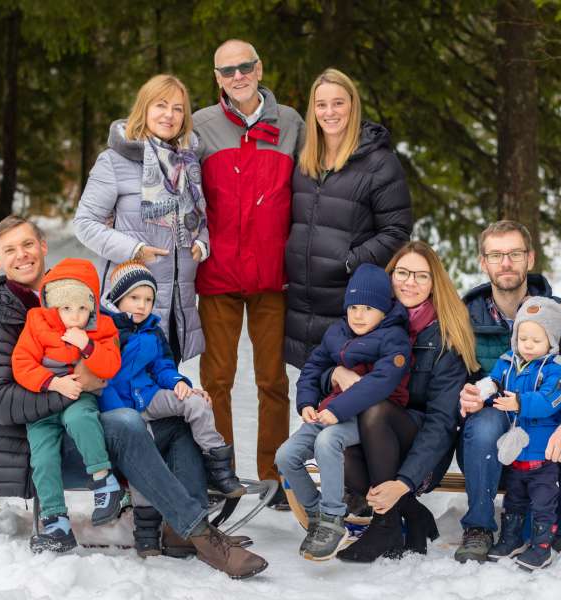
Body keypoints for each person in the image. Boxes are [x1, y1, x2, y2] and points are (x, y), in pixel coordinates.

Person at [0, 215, 267, 579]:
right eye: (10, 250)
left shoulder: (74, 300)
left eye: (28, 244)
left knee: (175, 420)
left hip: (87, 426)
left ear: (43, 247)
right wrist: (76, 388)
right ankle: (203, 535)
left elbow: (116, 356)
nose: (22, 255)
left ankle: (178, 532)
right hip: (41, 447)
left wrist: (176, 386)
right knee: (125, 423)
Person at [455, 220, 561, 564]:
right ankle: (479, 527)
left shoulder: (559, 313)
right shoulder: (467, 315)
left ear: (530, 258)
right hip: (494, 434)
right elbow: (451, 375)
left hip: (548, 427)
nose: (506, 262)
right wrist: (466, 396)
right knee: (483, 423)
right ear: (483, 262)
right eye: (496, 255)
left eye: (514, 253)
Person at [192, 39, 305, 507]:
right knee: (216, 379)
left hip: (271, 275)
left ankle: (275, 475)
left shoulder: (291, 123)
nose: (237, 76)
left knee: (272, 380)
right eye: (226, 71)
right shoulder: (200, 125)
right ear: (217, 78)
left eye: (244, 67)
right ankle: (221, 472)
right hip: (217, 272)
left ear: (259, 69)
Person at [333, 241, 480, 562]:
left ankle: (385, 525)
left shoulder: (446, 335)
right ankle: (413, 514)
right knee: (339, 447)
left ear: (434, 283)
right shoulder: (366, 317)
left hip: (422, 448)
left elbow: (442, 422)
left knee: (374, 410)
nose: (410, 282)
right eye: (402, 272)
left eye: (421, 276)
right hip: (371, 438)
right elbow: (324, 358)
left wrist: (404, 482)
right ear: (390, 276)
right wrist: (336, 372)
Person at [99, 260, 246, 556]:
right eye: (134, 298)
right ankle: (147, 534)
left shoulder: (153, 331)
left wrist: (178, 381)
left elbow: (163, 365)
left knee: (195, 401)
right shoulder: (106, 331)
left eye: (148, 299)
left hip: (149, 397)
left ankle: (217, 464)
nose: (142, 306)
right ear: (117, 298)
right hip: (120, 411)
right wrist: (124, 416)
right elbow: (102, 380)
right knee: (145, 454)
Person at [276, 264, 411, 561]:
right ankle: (317, 518)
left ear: (384, 309)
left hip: (368, 419)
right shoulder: (337, 332)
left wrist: (336, 410)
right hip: (330, 412)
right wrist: (307, 402)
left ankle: (333, 519)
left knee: (328, 442)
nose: (358, 315)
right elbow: (312, 367)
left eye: (367, 308)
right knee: (286, 455)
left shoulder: (394, 338)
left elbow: (380, 383)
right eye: (353, 307)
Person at [74, 74, 208, 365]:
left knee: (165, 392)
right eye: (161, 105)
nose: (169, 115)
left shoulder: (188, 164)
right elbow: (84, 224)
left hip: (177, 305)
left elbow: (198, 220)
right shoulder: (114, 161)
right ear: (144, 109)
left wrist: (202, 243)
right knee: (125, 397)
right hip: (129, 305)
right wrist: (134, 250)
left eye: (178, 108)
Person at [284, 67, 412, 369]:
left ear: (352, 106)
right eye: (321, 104)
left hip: (349, 302)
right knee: (309, 392)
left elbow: (397, 232)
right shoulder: (304, 160)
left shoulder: (379, 162)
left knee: (344, 394)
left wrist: (349, 262)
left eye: (338, 103)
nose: (329, 112)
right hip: (301, 302)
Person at [10, 257, 125, 552]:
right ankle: (55, 521)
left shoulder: (102, 327)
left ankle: (103, 480)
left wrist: (87, 345)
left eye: (82, 308)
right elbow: (22, 363)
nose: (74, 316)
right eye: (66, 308)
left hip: (78, 396)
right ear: (54, 305)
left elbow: (111, 365)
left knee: (81, 419)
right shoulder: (38, 323)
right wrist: (52, 382)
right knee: (43, 456)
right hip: (44, 401)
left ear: (92, 306)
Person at [473, 297, 561, 570]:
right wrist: (483, 391)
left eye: (536, 340)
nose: (528, 345)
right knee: (514, 500)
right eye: (523, 338)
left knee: (543, 503)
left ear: (551, 340)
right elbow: (495, 382)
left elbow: (551, 400)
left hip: (542, 456)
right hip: (516, 453)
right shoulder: (508, 361)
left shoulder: (560, 369)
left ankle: (542, 547)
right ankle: (511, 538)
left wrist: (520, 402)